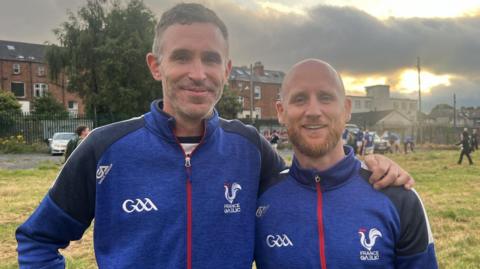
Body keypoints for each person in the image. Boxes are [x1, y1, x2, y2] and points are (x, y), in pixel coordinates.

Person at [16, 4, 414, 269]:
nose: (198, 72)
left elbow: (309, 186)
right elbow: (37, 239)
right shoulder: (105, 148)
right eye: (182, 57)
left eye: (210, 60)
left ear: (226, 69)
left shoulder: (250, 148)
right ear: (156, 66)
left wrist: (369, 167)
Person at [255, 59, 438, 268]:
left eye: (326, 98)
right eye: (299, 99)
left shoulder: (398, 197)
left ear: (346, 108)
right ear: (280, 111)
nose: (313, 111)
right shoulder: (259, 198)